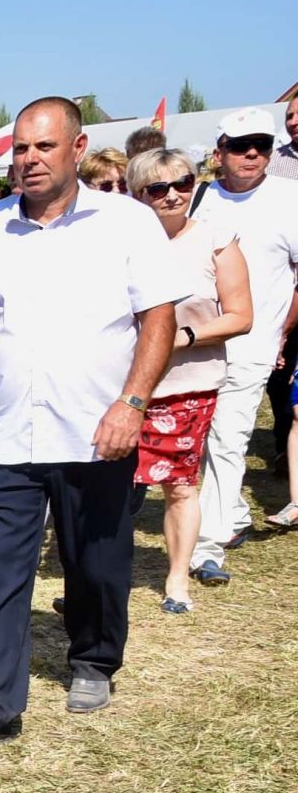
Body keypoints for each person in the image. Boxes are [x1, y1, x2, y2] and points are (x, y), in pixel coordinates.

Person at [0, 98, 186, 757]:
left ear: (78, 149)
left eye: (43, 147)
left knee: (97, 562)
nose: (29, 160)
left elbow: (157, 320)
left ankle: (95, 658)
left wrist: (132, 402)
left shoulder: (127, 224)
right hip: (8, 435)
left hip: (96, 433)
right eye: (20, 148)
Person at [124, 147, 253, 612]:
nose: (173, 195)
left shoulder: (216, 240)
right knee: (109, 486)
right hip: (120, 386)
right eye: (158, 188)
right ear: (138, 194)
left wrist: (184, 335)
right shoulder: (120, 242)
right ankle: (101, 578)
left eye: (183, 183)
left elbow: (241, 316)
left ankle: (177, 579)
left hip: (186, 385)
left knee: (179, 485)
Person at [186, 108, 298, 586]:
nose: (252, 154)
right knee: (198, 437)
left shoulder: (291, 199)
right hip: (196, 343)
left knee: (229, 439)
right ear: (219, 153)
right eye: (240, 145)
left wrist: (283, 331)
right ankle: (227, 512)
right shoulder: (198, 198)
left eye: (262, 146)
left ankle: (208, 547)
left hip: (254, 342)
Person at [268, 99, 298, 461]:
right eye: (289, 115)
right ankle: (283, 446)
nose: (293, 121)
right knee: (279, 373)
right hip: (285, 284)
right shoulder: (275, 162)